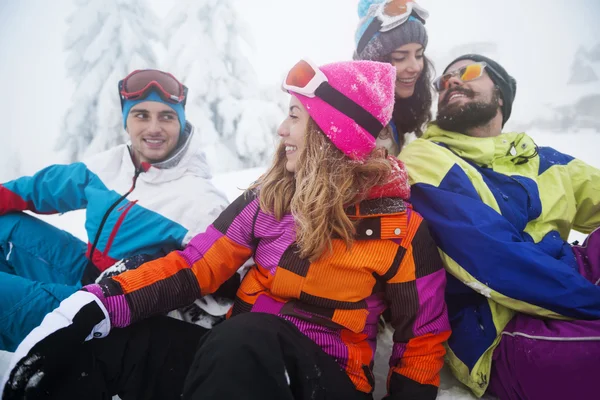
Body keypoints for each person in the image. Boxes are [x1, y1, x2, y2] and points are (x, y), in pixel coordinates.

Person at [2, 60, 450, 400]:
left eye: (295, 115)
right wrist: (99, 305)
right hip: (235, 367)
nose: (281, 128)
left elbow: (423, 338)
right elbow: (195, 266)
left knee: (250, 334)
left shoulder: (401, 230)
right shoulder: (269, 199)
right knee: (112, 341)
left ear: (332, 133)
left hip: (323, 379)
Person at [398, 54, 600, 400]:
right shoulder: (427, 157)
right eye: (443, 81)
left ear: (501, 94)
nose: (453, 82)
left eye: (468, 72)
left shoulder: (543, 159)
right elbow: (493, 260)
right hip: (499, 326)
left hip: (571, 283)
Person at [0, 69, 229, 351]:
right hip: (86, 271)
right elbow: (44, 188)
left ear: (181, 122)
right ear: (127, 121)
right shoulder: (115, 163)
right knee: (4, 227)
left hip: (118, 310)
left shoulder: (201, 202)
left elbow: (224, 295)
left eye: (166, 116)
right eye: (141, 115)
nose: (153, 128)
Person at [354, 0, 433, 153]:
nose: (415, 67)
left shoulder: (400, 107)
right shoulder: (355, 122)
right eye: (400, 57)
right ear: (373, 63)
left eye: (419, 55)